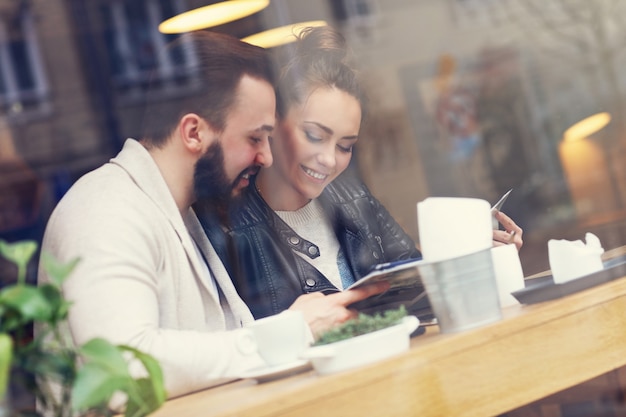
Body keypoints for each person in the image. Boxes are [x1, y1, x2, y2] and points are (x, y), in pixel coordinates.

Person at [37, 30, 386, 399]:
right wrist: (291, 331)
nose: (266, 157)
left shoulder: (182, 212)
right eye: (255, 138)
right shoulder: (104, 210)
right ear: (193, 132)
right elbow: (126, 373)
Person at [196, 26, 523, 321]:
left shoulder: (355, 200)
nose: (328, 159)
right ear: (274, 124)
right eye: (314, 135)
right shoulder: (223, 227)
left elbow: (424, 300)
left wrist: (476, 259)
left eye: (345, 145)